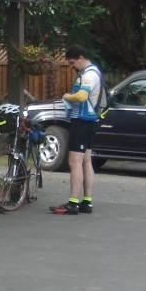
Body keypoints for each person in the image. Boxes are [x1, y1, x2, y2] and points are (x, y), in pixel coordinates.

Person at [50, 45, 104, 215]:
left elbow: (81, 96)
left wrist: (67, 96)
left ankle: (72, 202)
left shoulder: (89, 74)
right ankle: (87, 201)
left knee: (74, 162)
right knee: (86, 161)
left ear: (81, 57)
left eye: (72, 62)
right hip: (90, 121)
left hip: (82, 122)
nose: (72, 66)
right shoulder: (94, 72)